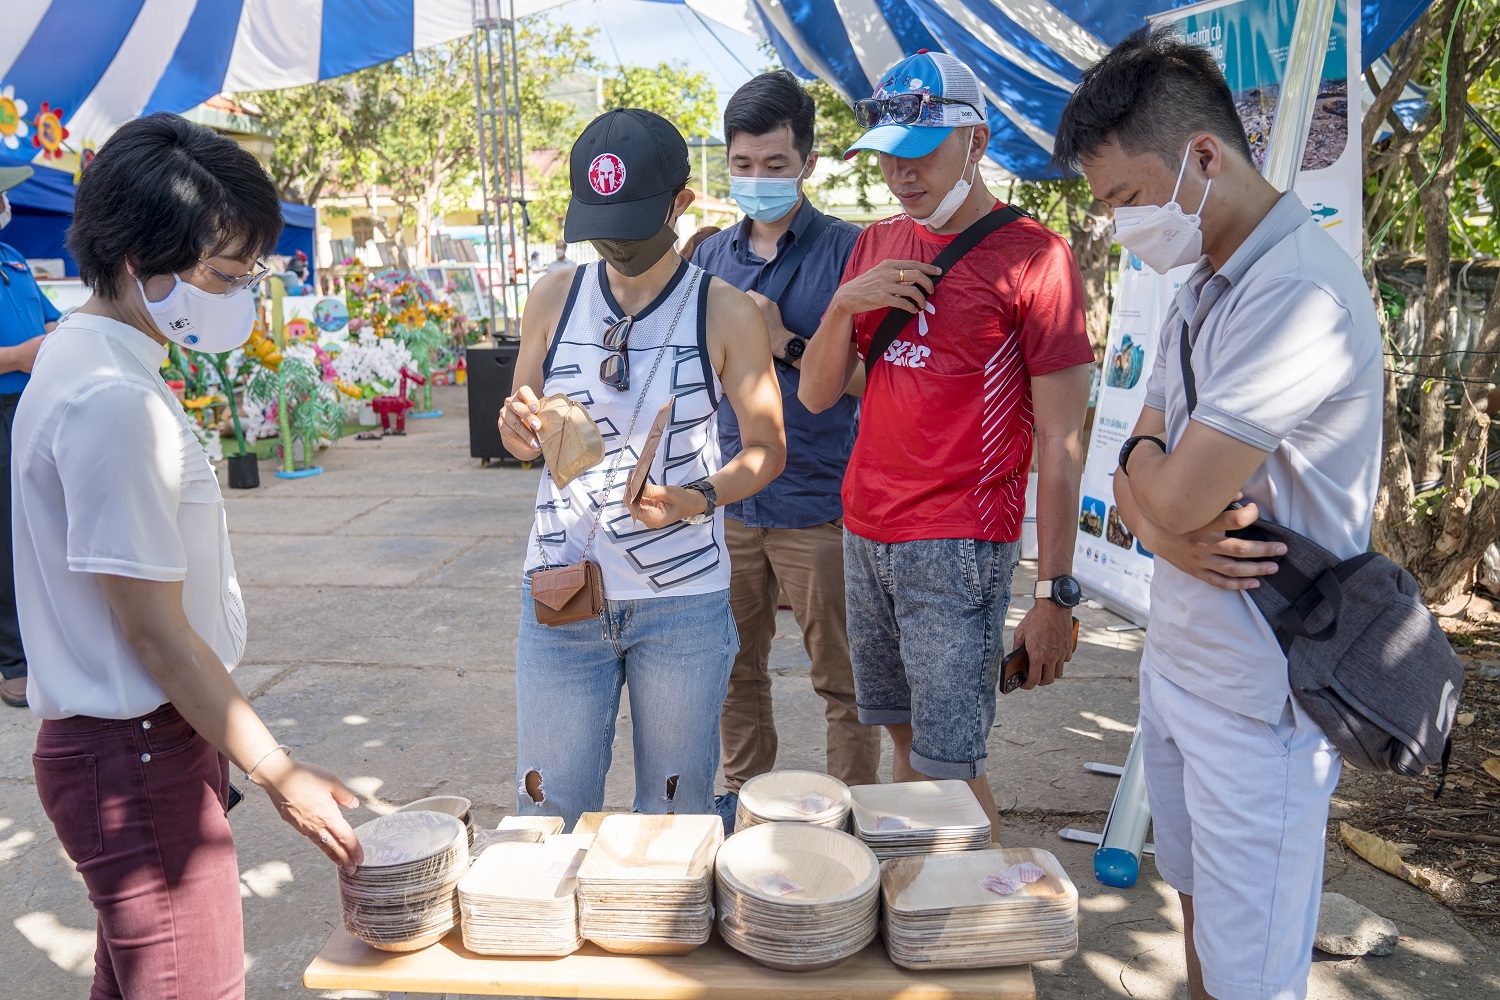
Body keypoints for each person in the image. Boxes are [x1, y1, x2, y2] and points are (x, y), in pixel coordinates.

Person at [1055, 28, 1382, 1000]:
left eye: (1126, 196)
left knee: (1252, 976)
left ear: (1203, 156)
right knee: (1198, 918)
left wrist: (1157, 496)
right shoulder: (1201, 284)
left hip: (1262, 698)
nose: (1122, 224)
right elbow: (1138, 468)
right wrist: (1162, 515)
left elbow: (1171, 490)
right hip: (1182, 664)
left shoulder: (1299, 294)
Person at [15, 113, 364, 999]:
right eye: (223, 274)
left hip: (141, 742)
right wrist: (278, 772)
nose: (238, 294)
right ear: (140, 261)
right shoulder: (110, 399)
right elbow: (156, 634)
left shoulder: (85, 354)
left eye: (248, 274)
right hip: (132, 752)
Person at [800, 51, 1093, 834]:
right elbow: (817, 394)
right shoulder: (874, 243)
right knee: (903, 739)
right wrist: (842, 307)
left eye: (921, 152)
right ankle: (921, 890)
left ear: (976, 142)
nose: (902, 174)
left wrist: (1053, 594)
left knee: (950, 769)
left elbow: (1062, 440)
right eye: (887, 155)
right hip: (865, 528)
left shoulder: (1036, 257)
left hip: (958, 543)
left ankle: (984, 904)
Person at [499, 108, 785, 829]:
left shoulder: (725, 310)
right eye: (601, 227)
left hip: (682, 602)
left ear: (680, 203)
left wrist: (697, 496)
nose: (616, 244)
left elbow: (766, 447)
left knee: (674, 815)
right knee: (549, 813)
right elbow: (523, 432)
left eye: (631, 225)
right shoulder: (553, 297)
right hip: (562, 592)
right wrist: (517, 429)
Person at [690, 70, 876, 830]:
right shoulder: (709, 258)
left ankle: (851, 821)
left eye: (775, 164)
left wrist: (785, 340)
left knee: (845, 682)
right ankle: (747, 807)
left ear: (808, 162)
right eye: (743, 164)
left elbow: (878, 382)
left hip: (819, 503)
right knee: (735, 672)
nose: (758, 178)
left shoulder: (852, 253)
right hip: (731, 501)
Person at [0, 165, 59, 708]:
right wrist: (16, 357)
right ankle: (14, 660)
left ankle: (45, 646)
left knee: (41, 523)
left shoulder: (13, 257)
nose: (4, 204)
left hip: (31, 405)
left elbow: (50, 321)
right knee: (5, 535)